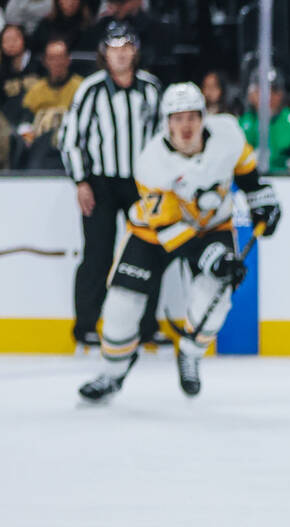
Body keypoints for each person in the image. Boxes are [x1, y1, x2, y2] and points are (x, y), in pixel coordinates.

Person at [77, 82, 281, 402]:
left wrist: (264, 203)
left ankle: (189, 354)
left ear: (204, 116)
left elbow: (247, 175)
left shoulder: (227, 135)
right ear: (165, 122)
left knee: (215, 296)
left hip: (213, 225)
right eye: (177, 118)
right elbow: (171, 231)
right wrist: (213, 257)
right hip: (152, 233)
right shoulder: (151, 163)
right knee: (121, 307)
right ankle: (112, 373)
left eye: (192, 117)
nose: (185, 126)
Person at [58, 21, 161, 351]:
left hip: (141, 184)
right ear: (104, 53)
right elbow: (70, 138)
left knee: (148, 251)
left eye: (126, 48)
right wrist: (81, 181)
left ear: (135, 51)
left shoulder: (151, 88)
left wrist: (161, 182)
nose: (120, 55)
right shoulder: (91, 89)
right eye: (114, 49)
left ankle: (146, 326)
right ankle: (86, 325)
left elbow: (162, 140)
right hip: (101, 182)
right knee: (98, 254)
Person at [15, 36, 80, 168]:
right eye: (52, 58)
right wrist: (28, 137)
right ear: (45, 61)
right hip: (40, 146)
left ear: (68, 60)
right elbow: (24, 122)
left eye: (60, 57)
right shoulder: (36, 90)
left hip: (72, 142)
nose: (57, 62)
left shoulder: (81, 87)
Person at [238, 69, 290, 173]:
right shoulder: (243, 123)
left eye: (273, 90)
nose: (267, 96)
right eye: (257, 90)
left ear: (279, 95)